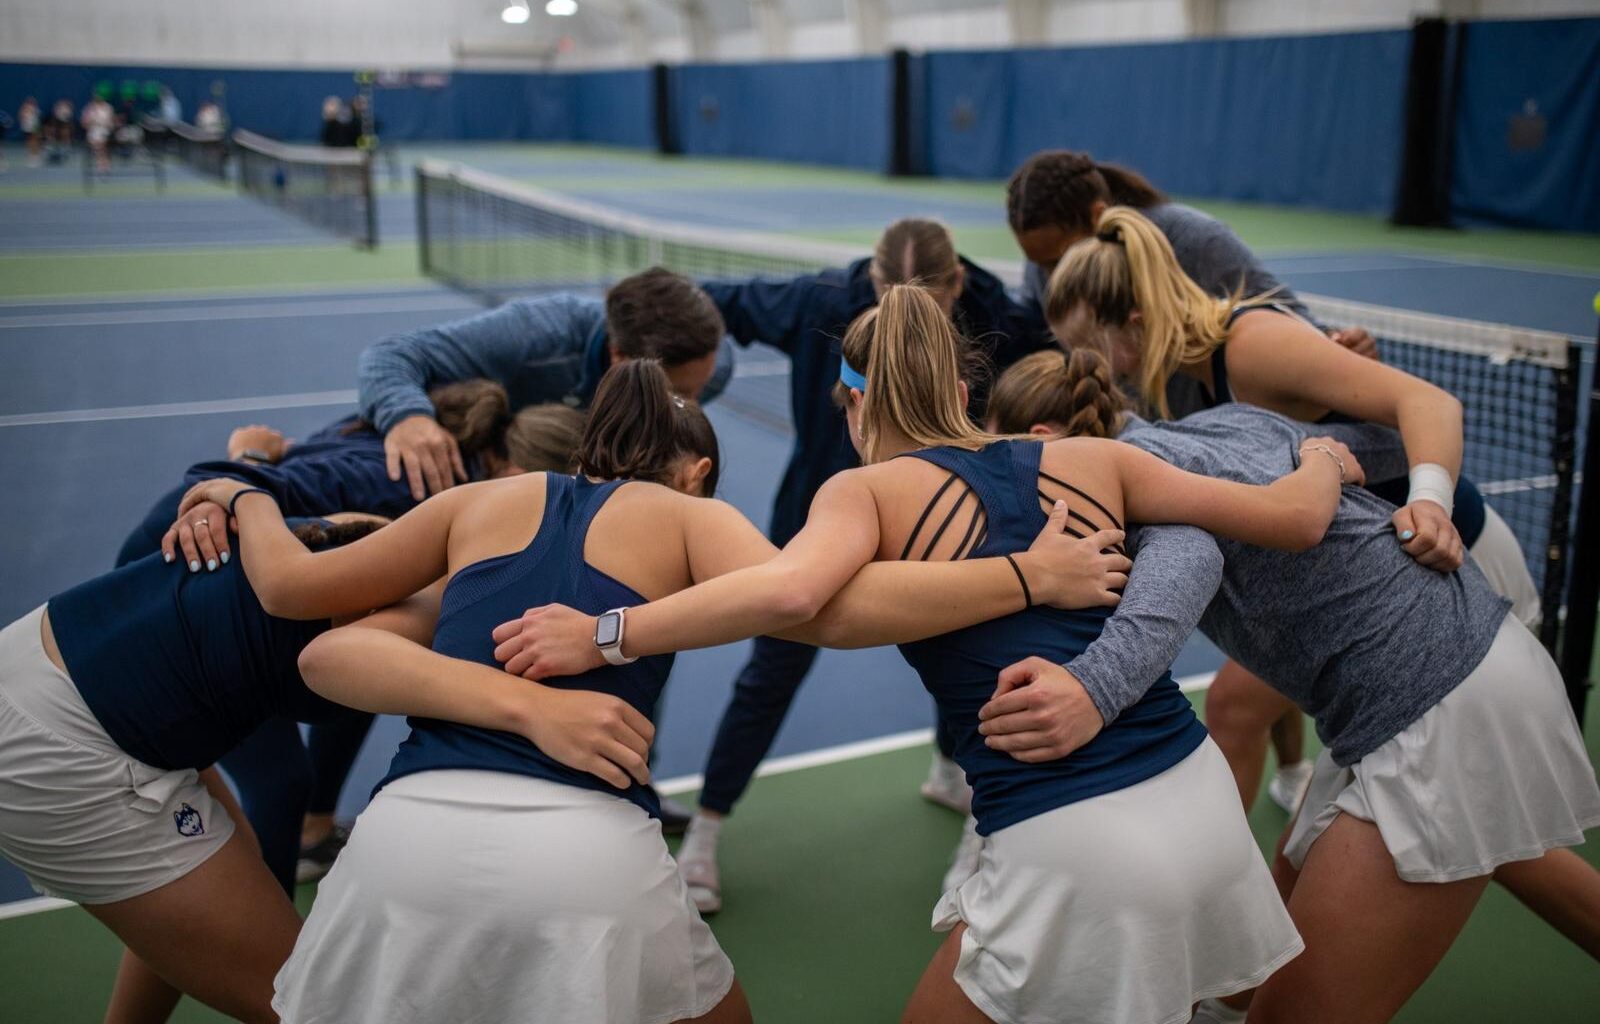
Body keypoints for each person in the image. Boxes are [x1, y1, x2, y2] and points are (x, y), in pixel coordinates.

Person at [488, 287, 1386, 1023]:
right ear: (963, 392)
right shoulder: (1091, 458)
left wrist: (605, 632)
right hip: (1196, 799)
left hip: (1070, 832)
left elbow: (792, 597)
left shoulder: (864, 493)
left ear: (855, 401)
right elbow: (1296, 520)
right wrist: (1321, 458)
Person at [179, 357, 1130, 1024]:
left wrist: (247, 486)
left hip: (399, 842)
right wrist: (1031, 578)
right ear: (700, 472)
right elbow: (826, 607)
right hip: (581, 849)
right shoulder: (687, 519)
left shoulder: (476, 505)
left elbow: (296, 600)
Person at [979, 346, 1600, 1022]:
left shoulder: (1143, 487)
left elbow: (1187, 561)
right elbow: (1385, 444)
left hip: (1443, 701)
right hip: (1462, 659)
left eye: (1005, 466)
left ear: (1044, 442)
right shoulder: (1226, 422)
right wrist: (1331, 461)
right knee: (1291, 886)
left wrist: (1091, 691)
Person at [0, 508, 669, 1024]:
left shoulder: (378, 530)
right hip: (69, 748)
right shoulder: (410, 592)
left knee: (218, 888)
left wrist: (240, 488)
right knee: (306, 1001)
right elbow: (338, 661)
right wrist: (533, 703)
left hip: (51, 665)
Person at [1044, 204, 1546, 810]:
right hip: (1378, 591)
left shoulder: (1252, 345)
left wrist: (1431, 505)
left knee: (1234, 708)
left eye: (1094, 350)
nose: (1093, 370)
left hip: (1452, 565)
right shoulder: (1178, 381)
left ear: (1136, 321)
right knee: (1505, 849)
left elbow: (1431, 401)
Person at [675, 217, 1053, 912]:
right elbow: (698, 307)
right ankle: (704, 832)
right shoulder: (819, 299)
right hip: (817, 526)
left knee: (969, 654)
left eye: (926, 300)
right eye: (883, 293)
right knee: (773, 668)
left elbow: (1059, 361)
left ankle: (962, 790)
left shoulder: (993, 307)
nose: (900, 308)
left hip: (937, 518)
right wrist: (681, 387)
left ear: (957, 288)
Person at [116, 384, 583, 892]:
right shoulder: (394, 484)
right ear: (518, 474)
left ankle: (313, 832)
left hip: (239, 589)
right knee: (279, 783)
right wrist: (245, 459)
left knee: (364, 673)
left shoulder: (444, 464)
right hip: (177, 584)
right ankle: (263, 934)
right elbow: (222, 487)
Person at [1006, 149, 1376, 416]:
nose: (1049, 276)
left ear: (1097, 216)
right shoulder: (1043, 269)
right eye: (1038, 264)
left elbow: (1291, 325)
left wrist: (1337, 345)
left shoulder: (1194, 239)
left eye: (1056, 260)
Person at [359, 266, 737, 501]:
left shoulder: (713, 365)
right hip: (471, 482)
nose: (693, 404)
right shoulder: (537, 333)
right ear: (619, 357)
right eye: (679, 393)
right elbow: (390, 356)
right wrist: (407, 417)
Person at [81, 95, 115, 173]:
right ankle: (102, 162)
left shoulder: (108, 108)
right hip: (93, 131)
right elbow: (84, 123)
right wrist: (91, 123)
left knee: (101, 144)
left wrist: (105, 125)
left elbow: (111, 123)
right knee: (97, 144)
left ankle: (103, 164)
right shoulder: (89, 108)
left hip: (104, 131)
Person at [19, 97, 42, 167]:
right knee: (29, 141)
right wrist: (24, 119)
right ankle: (31, 155)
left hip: (34, 126)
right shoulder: (24, 109)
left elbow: (37, 118)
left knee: (34, 141)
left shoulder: (36, 109)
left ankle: (35, 155)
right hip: (26, 126)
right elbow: (21, 116)